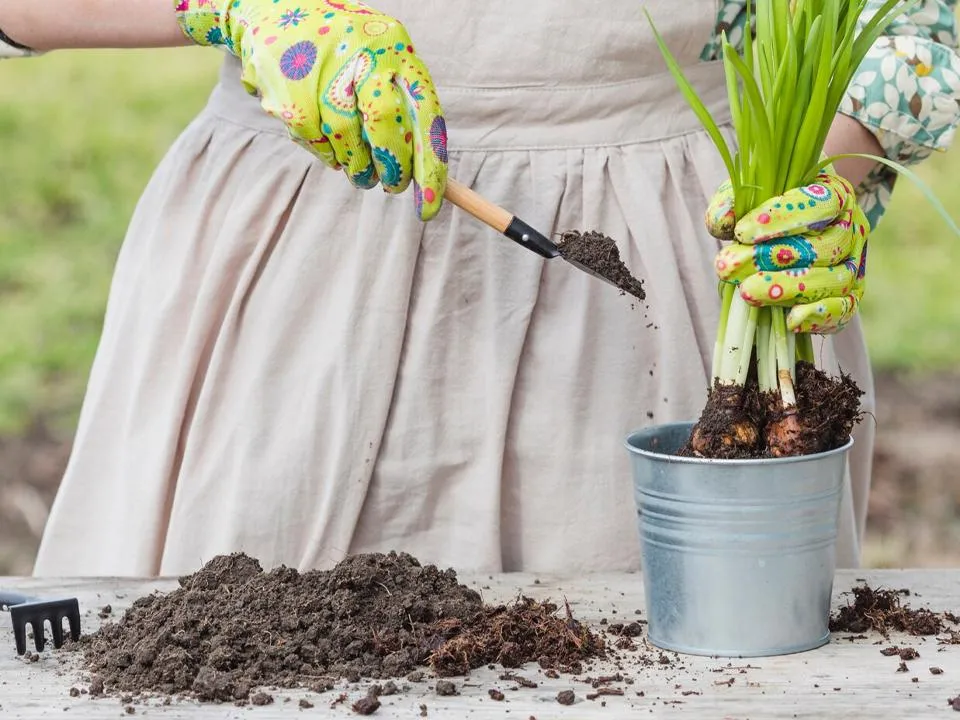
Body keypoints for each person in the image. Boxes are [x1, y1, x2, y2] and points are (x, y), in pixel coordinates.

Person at [4, 1, 958, 577]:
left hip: (676, 277)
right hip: (300, 271)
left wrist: (828, 174)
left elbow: (917, 20)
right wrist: (241, 9)